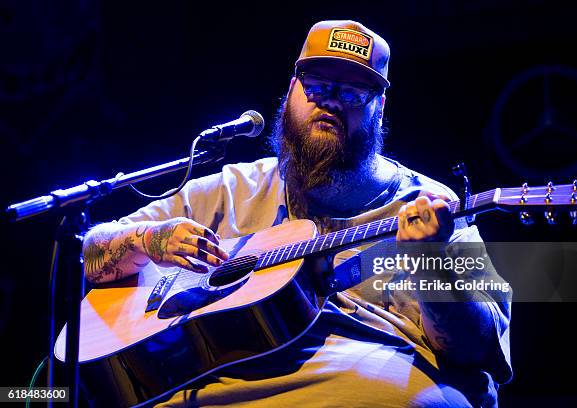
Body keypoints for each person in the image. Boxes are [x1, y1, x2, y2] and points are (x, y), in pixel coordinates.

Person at [83, 20, 511, 407]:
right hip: (218, 381)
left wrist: (429, 265)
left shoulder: (433, 205)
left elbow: (477, 349)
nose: (331, 102)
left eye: (353, 92)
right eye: (317, 85)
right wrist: (148, 240)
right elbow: (89, 253)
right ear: (290, 90)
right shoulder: (232, 189)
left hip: (367, 379)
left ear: (380, 107)